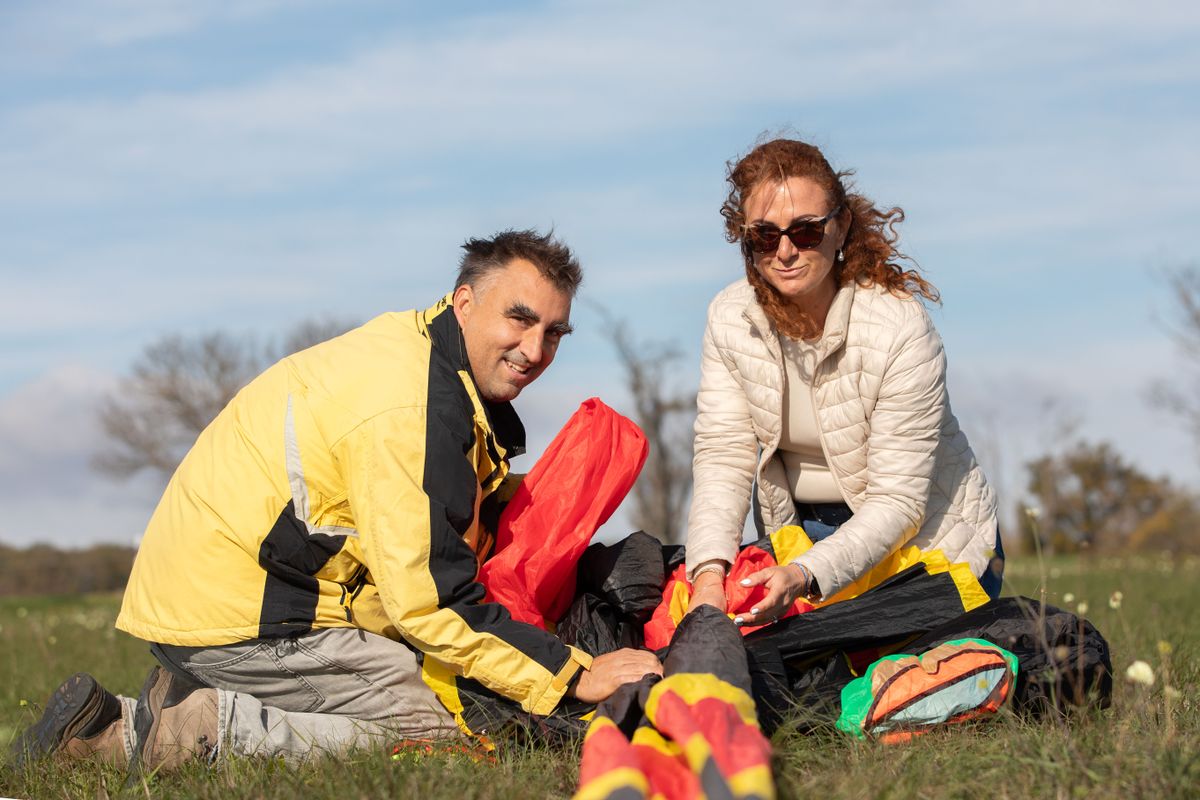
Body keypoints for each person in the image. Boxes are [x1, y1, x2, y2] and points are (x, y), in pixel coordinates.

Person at [13, 229, 662, 772]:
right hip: (249, 611)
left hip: (227, 593)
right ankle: (150, 735)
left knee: (434, 673)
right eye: (519, 318)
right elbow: (430, 604)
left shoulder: (425, 359)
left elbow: (434, 528)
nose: (535, 350)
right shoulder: (410, 409)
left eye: (554, 332)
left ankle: (187, 691)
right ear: (465, 301)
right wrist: (576, 675)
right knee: (444, 735)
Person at [685, 138, 1002, 624]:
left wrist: (804, 574)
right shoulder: (729, 317)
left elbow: (899, 502)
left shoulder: (899, 326)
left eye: (806, 231)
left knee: (897, 681)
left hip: (931, 540)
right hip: (802, 534)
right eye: (765, 236)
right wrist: (708, 574)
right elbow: (723, 453)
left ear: (841, 227)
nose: (786, 251)